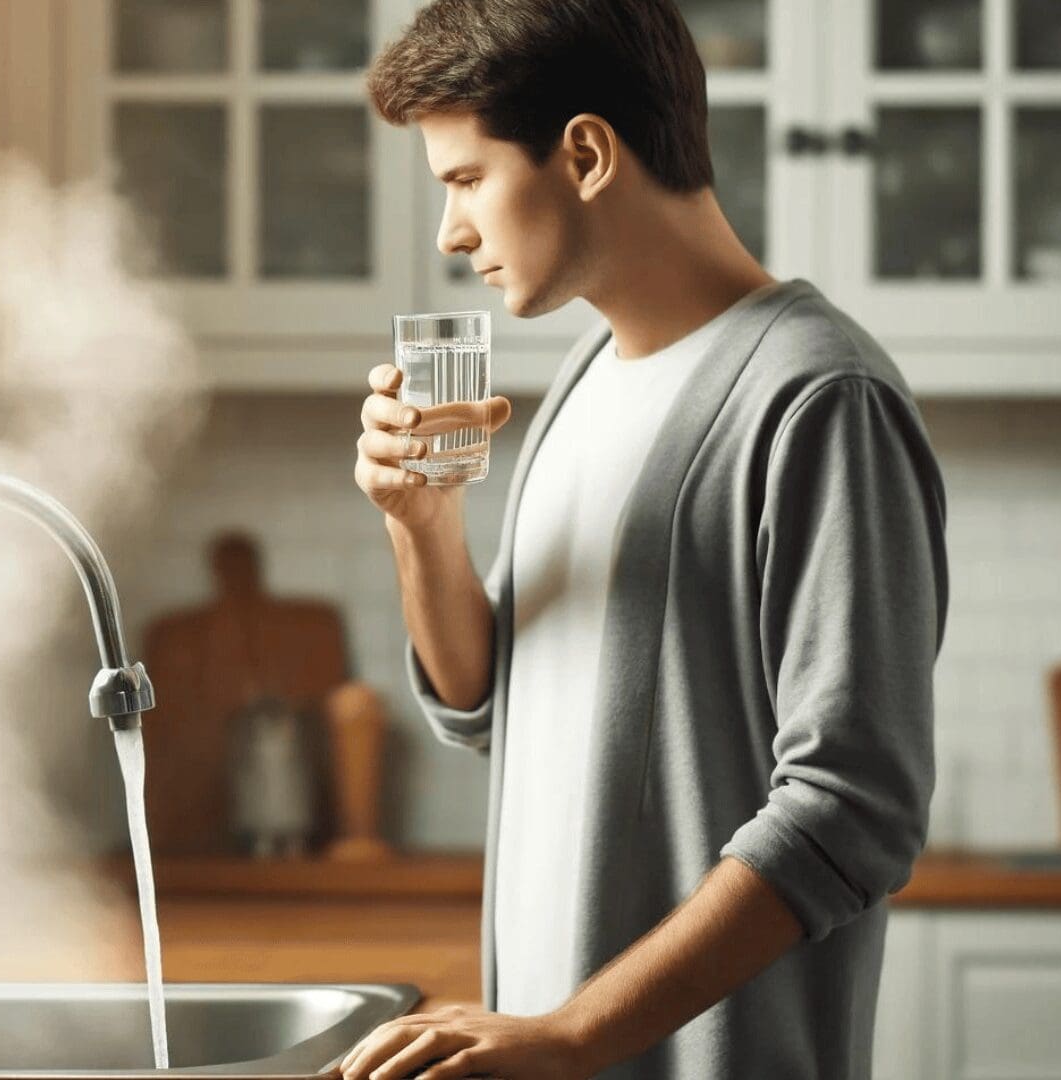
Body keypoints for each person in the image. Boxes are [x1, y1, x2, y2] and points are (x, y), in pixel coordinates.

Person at [342, 3, 949, 1079]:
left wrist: (576, 1032)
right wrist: (422, 528)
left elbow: (854, 810)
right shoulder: (583, 379)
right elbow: (487, 703)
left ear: (583, 153)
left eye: (466, 180)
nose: (450, 233)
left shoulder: (818, 397)